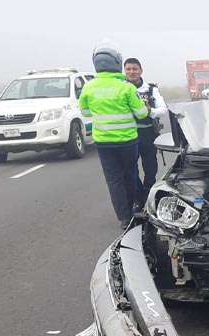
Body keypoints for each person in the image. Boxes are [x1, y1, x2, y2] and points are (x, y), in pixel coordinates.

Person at [80, 42, 149, 229]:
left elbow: (85, 113)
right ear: (117, 63)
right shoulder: (126, 87)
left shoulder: (89, 87)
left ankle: (124, 217)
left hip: (103, 143)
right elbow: (142, 113)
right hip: (127, 141)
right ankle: (136, 207)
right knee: (131, 175)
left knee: (113, 180)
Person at [123, 57, 168, 207]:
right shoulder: (121, 88)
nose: (131, 72)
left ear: (141, 70)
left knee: (150, 168)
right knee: (131, 169)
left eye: (134, 69)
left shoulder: (151, 89)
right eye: (128, 69)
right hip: (128, 135)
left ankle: (149, 195)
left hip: (148, 134)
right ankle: (138, 198)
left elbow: (163, 110)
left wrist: (149, 111)